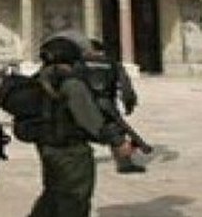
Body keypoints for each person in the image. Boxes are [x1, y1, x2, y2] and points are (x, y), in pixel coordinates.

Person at [28, 35, 133, 217]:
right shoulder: (72, 84)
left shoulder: (37, 79)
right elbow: (91, 120)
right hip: (71, 150)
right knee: (75, 197)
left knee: (53, 193)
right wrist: (117, 142)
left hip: (47, 146)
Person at [82, 39, 145, 174]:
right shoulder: (113, 64)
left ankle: (75, 163)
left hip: (85, 104)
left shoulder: (78, 64)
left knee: (76, 133)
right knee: (117, 134)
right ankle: (125, 164)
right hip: (107, 104)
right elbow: (126, 87)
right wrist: (129, 103)